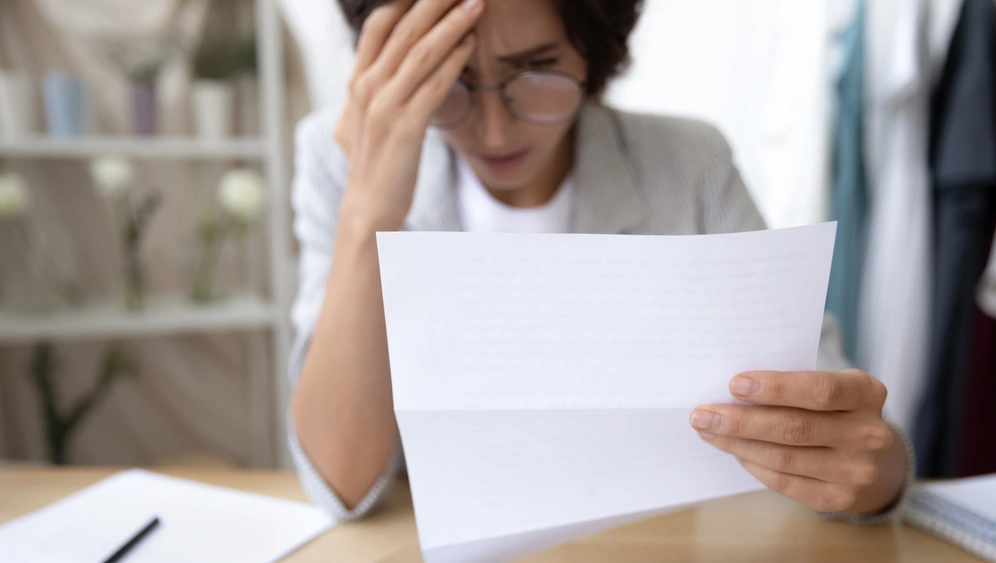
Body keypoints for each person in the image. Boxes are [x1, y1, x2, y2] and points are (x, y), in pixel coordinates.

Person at [289, 0, 912, 524]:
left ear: (594, 51)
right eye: (450, 83)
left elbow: (849, 431)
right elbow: (341, 484)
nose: (496, 132)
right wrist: (370, 210)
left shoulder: (688, 165)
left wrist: (872, 469)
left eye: (535, 70)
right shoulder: (337, 159)